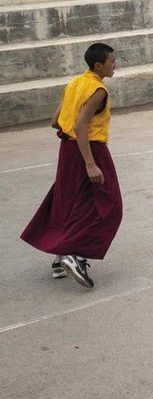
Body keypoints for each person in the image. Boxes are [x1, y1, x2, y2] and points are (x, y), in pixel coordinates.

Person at [21, 43, 123, 289]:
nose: (115, 64)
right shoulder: (97, 89)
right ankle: (75, 255)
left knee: (70, 200)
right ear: (99, 66)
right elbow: (80, 127)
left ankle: (59, 258)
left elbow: (56, 121)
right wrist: (90, 163)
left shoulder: (75, 83)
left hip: (67, 150)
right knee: (109, 205)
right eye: (112, 61)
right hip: (90, 149)